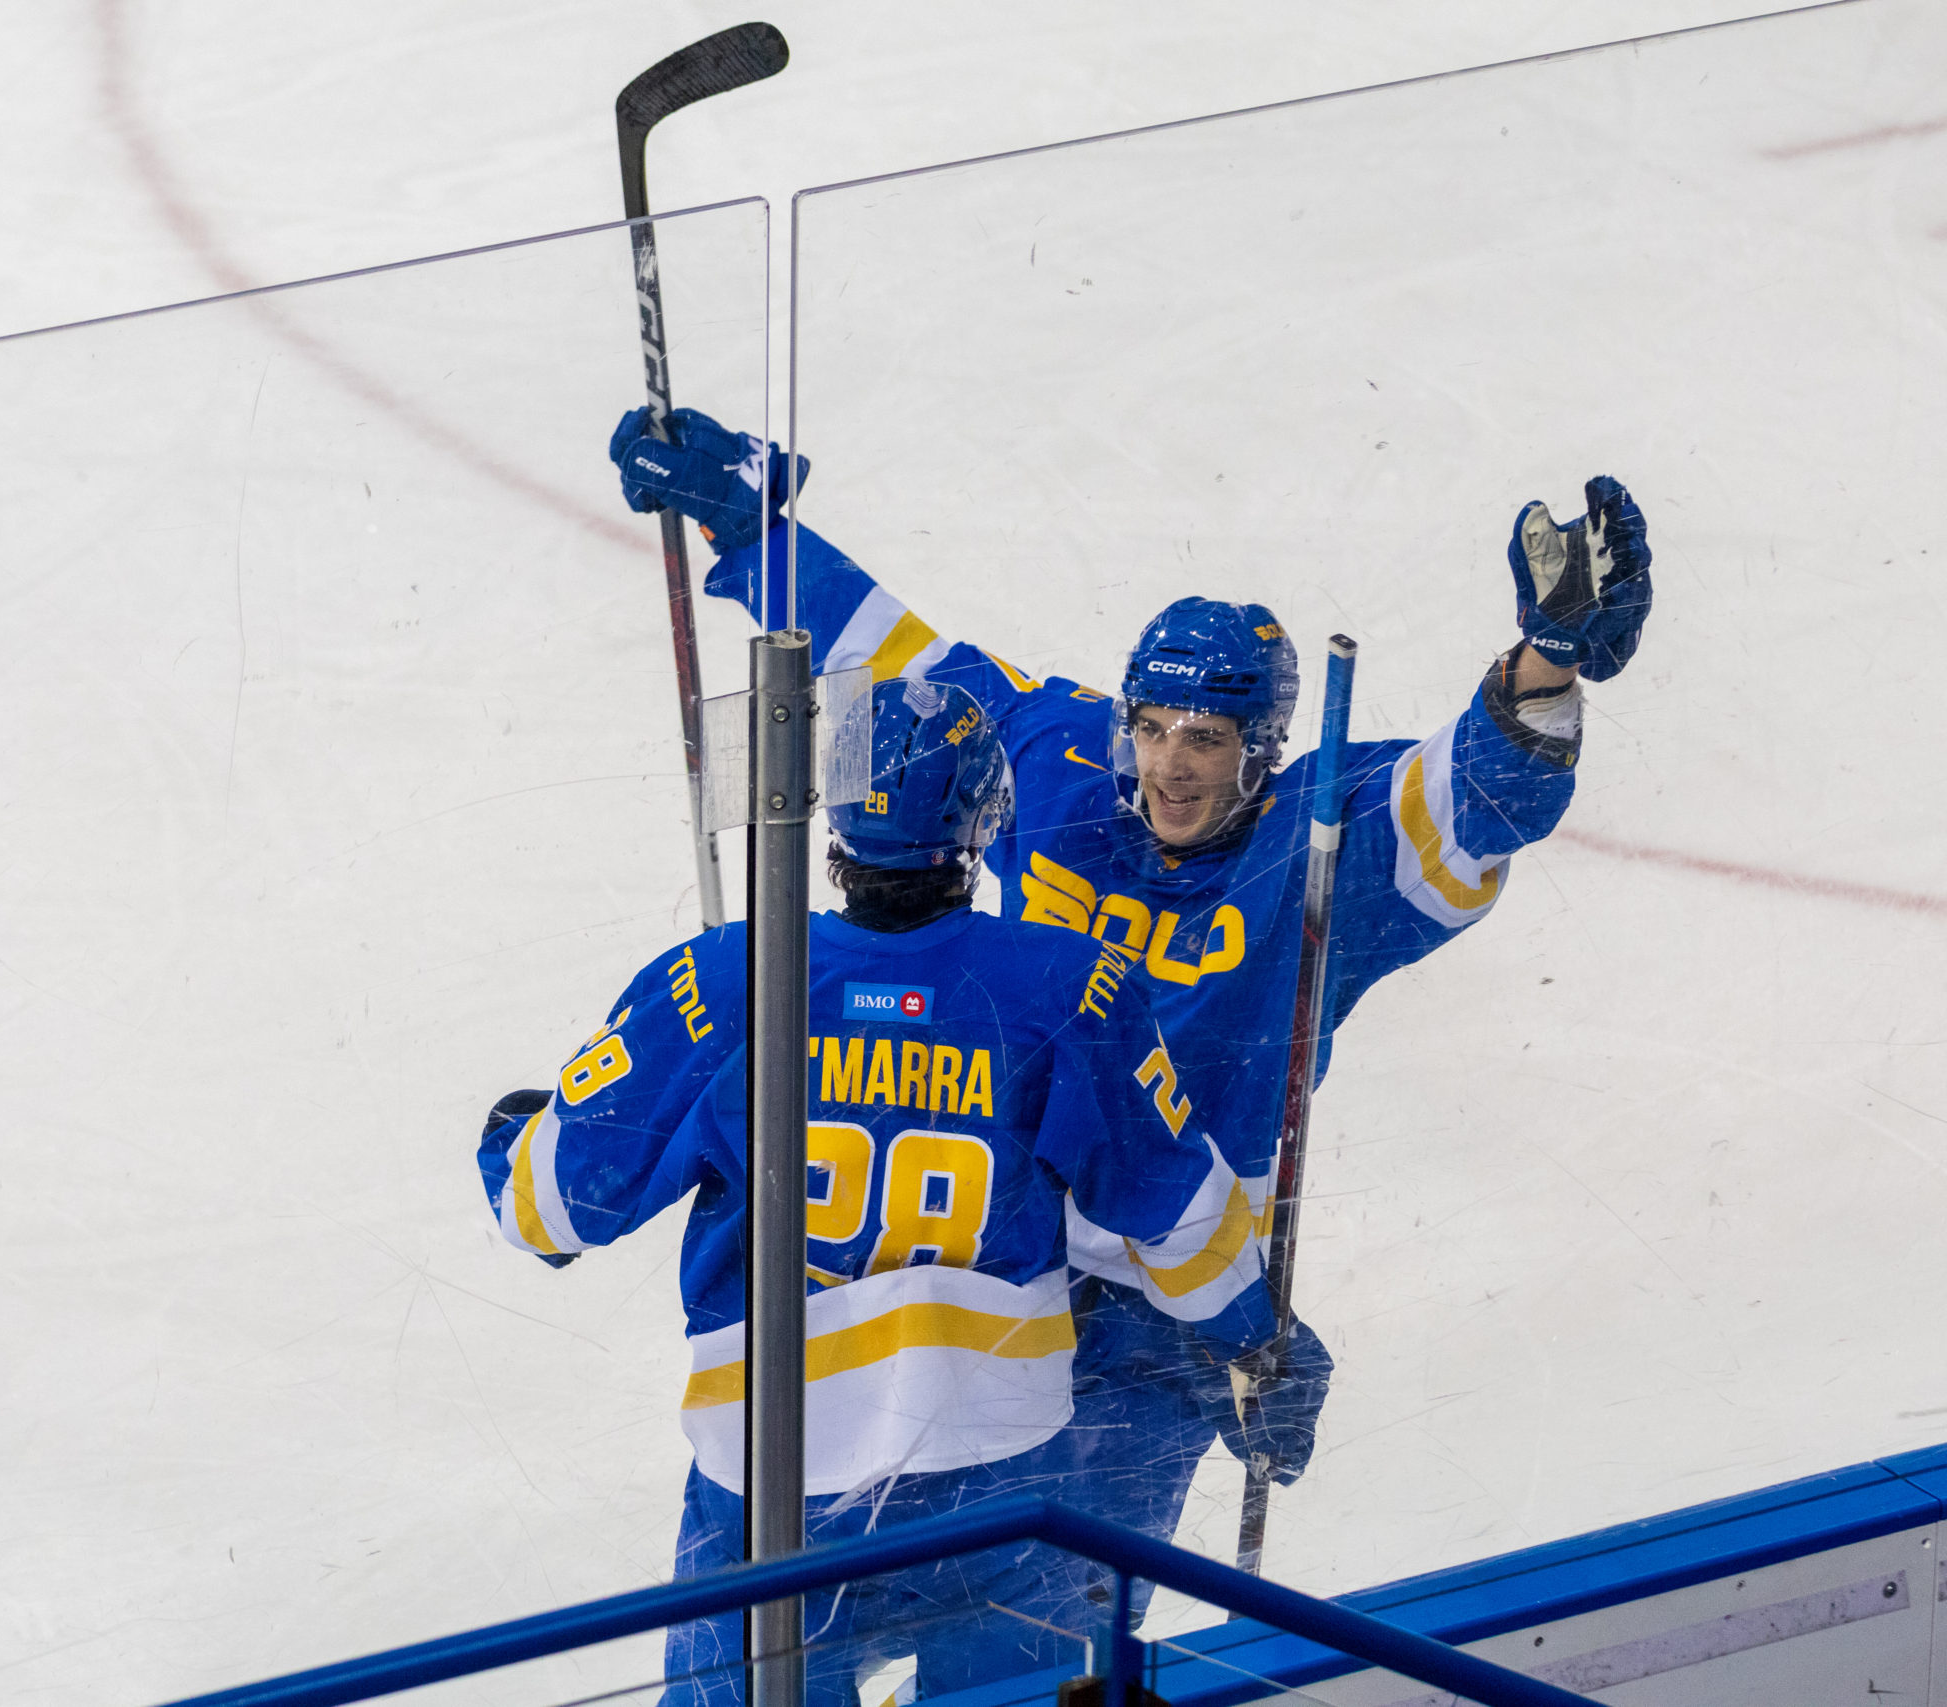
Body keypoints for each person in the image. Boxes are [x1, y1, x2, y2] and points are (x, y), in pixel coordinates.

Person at [605, 403, 1652, 1600]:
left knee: (1059, 1625)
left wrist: (1545, 662)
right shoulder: (1058, 761)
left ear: (1260, 746)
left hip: (1179, 1308)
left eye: (1203, 738)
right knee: (891, 1590)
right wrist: (755, 527)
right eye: (1149, 728)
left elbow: (1478, 791)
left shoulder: (1322, 844)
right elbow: (894, 662)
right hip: (1010, 1261)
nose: (1166, 765)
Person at [477, 676, 1323, 1705]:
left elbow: (552, 1211)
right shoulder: (1068, 985)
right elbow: (1175, 1220)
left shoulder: (719, 984)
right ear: (983, 814)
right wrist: (1256, 1342)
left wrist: (516, 1139)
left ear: (828, 808)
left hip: (778, 1501)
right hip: (1005, 1499)